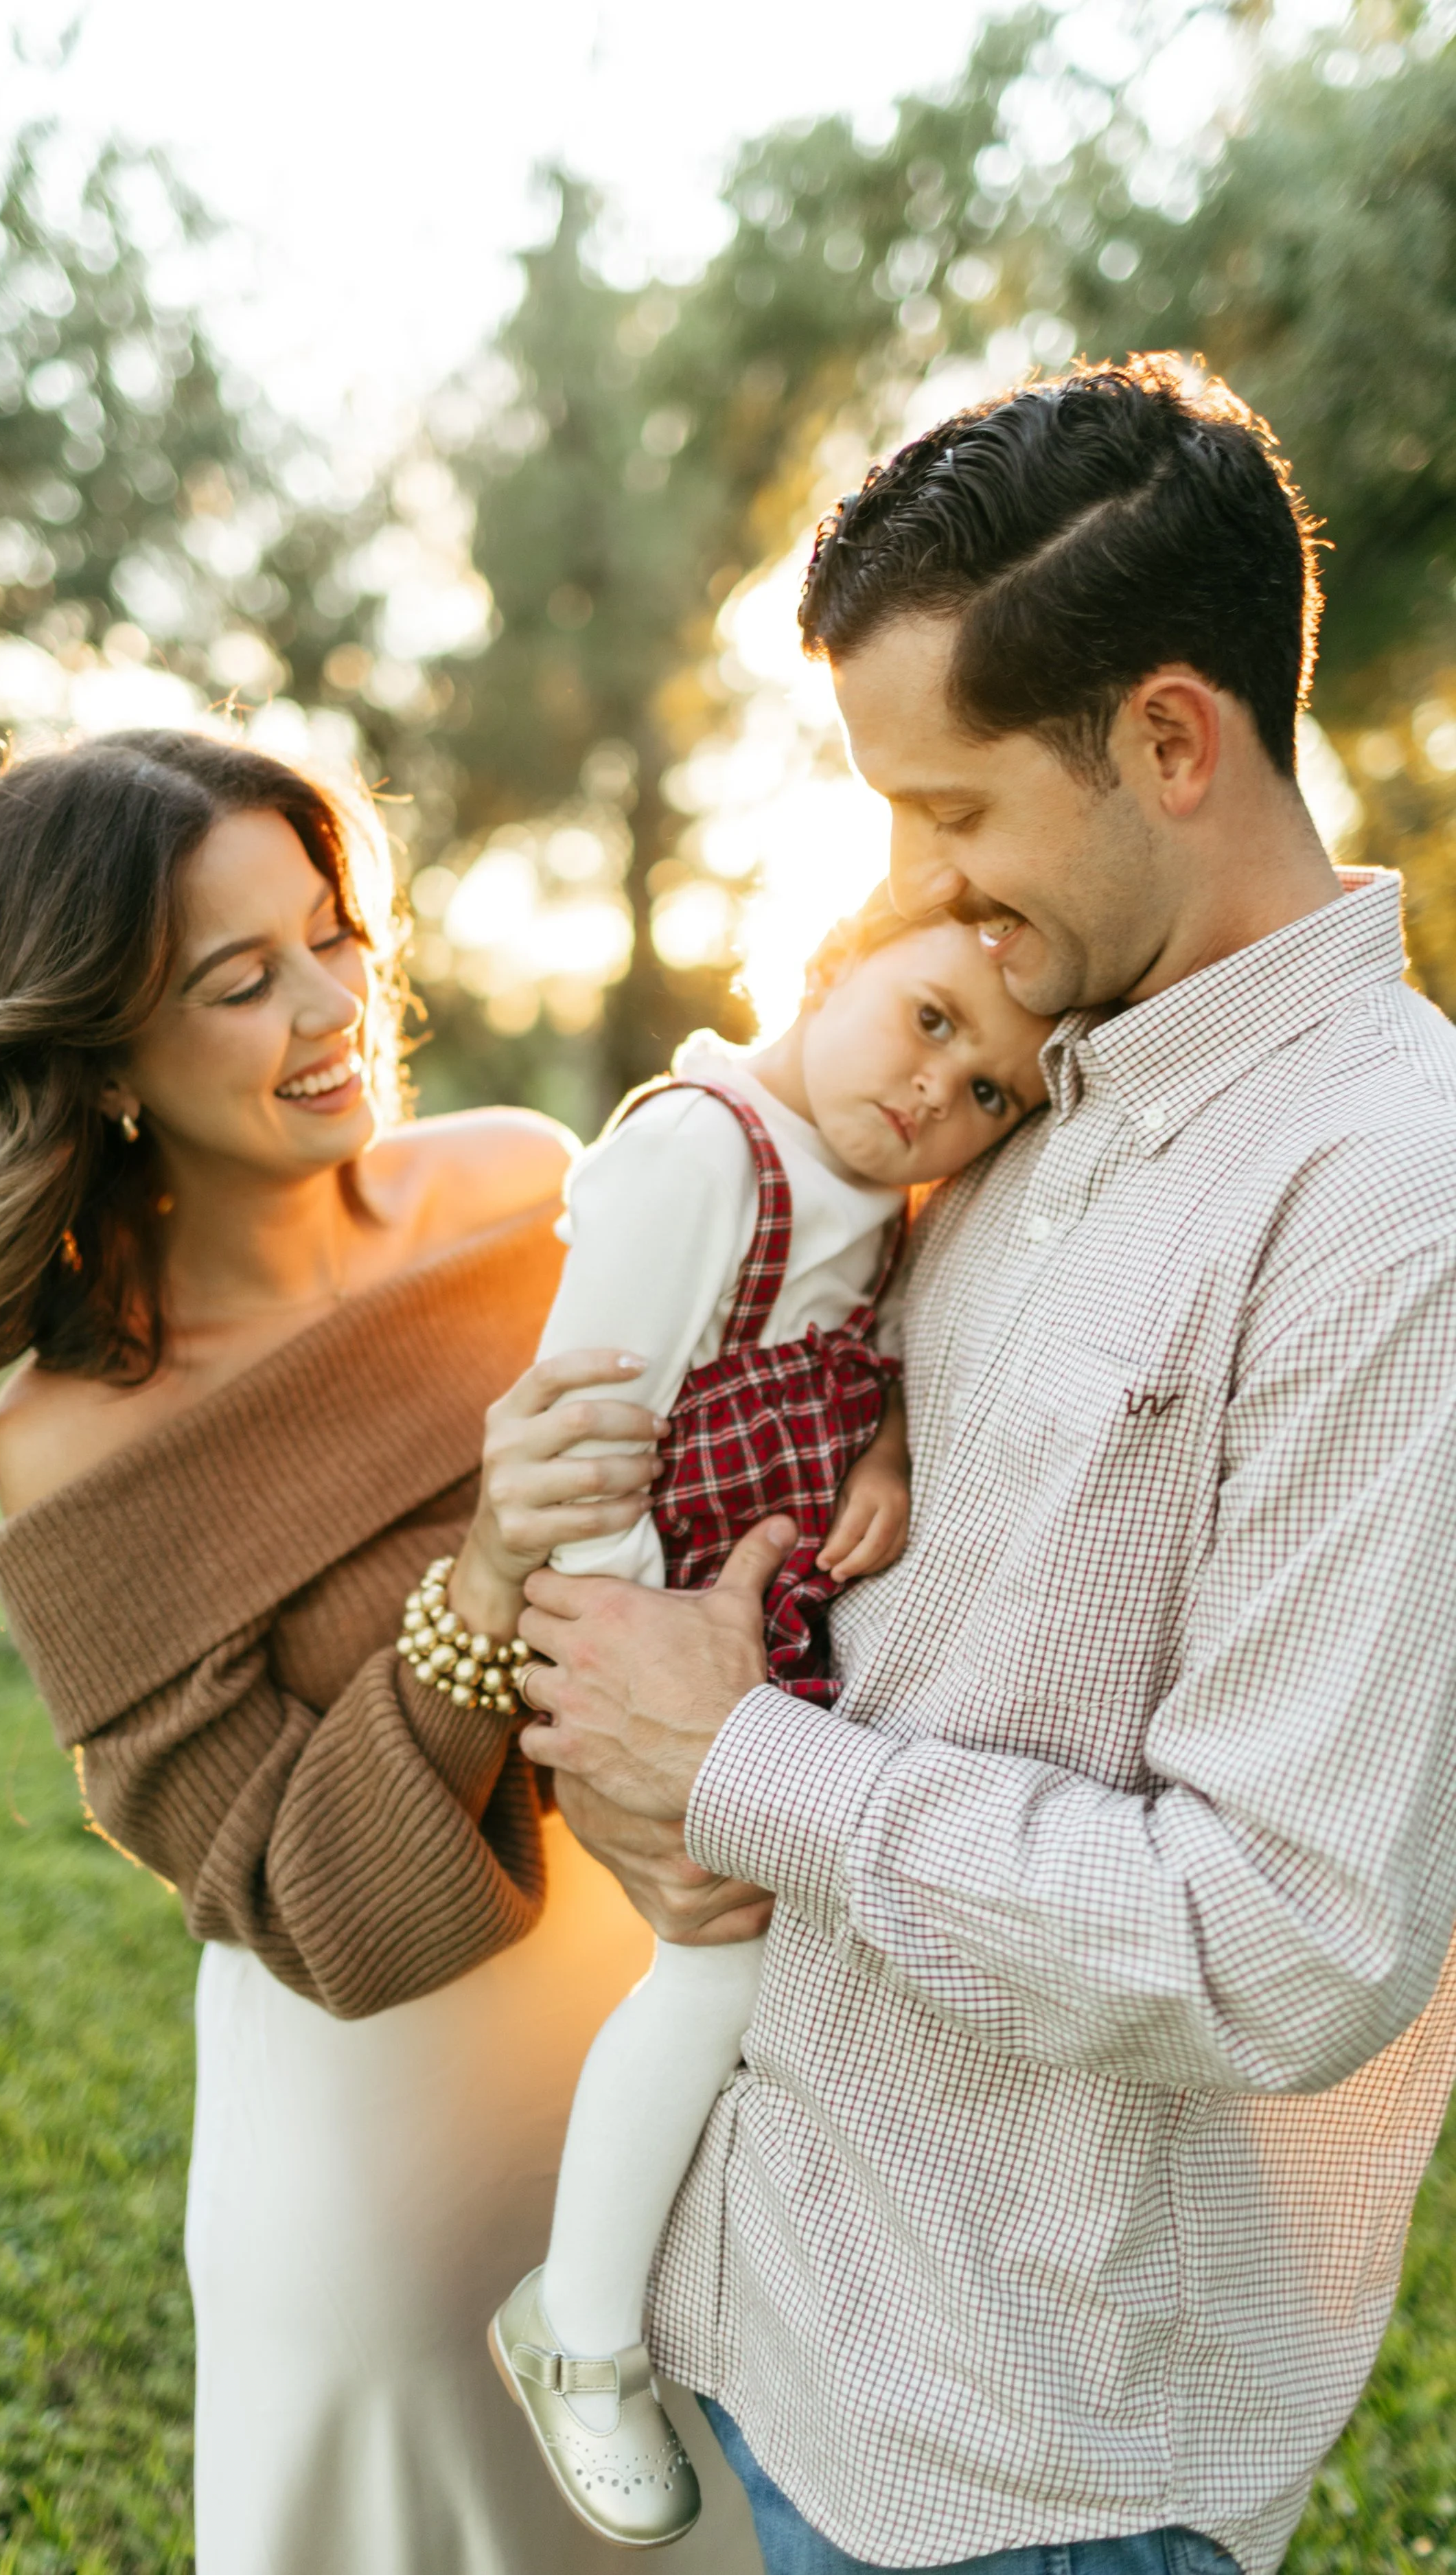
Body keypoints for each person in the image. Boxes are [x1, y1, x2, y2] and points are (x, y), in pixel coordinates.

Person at [513, 355, 1456, 2575]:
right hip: (808, 2299)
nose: (917, 885)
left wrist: (737, 1763)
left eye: (950, 812)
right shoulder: (1033, 1079)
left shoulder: (1390, 1202)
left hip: (1035, 2466)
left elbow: (1285, 1941)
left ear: (1167, 739)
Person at [0, 729, 763, 2575]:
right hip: (385, 2157)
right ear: (95, 1047)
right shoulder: (70, 1424)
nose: (330, 1002)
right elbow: (291, 1883)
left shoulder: (526, 1184)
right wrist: (492, 1565)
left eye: (335, 930)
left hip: (684, 2053)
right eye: (238, 976)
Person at [485, 897, 1052, 2545]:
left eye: (991, 1091)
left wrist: (877, 1462)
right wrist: (629, 1692)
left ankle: (751, 2299)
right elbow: (588, 1441)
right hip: (647, 1652)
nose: (936, 1092)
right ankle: (580, 2333)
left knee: (790, 1981)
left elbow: (861, 1376)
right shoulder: (700, 1155)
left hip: (765, 1654)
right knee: (715, 1964)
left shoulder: (868, 1201)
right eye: (930, 1017)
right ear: (830, 962)